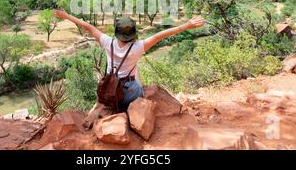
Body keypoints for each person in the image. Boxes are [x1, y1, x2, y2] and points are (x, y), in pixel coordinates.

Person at [53, 10, 206, 110]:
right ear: (133, 34)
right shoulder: (138, 47)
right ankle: (130, 109)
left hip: (109, 91)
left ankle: (109, 108)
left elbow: (88, 26)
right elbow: (161, 35)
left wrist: (66, 16)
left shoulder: (107, 42)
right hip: (129, 93)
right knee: (137, 81)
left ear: (116, 32)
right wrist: (186, 25)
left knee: (133, 69)